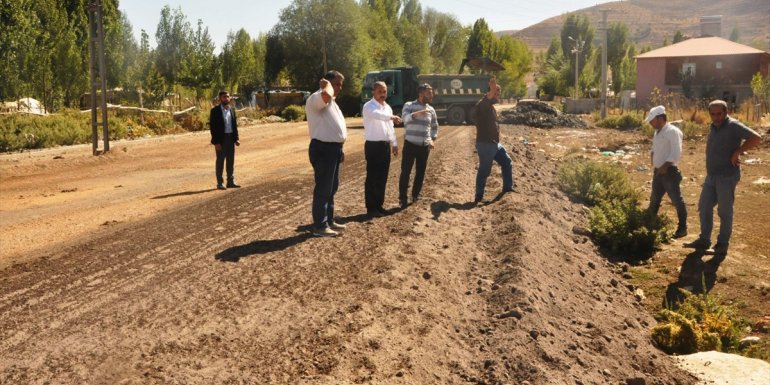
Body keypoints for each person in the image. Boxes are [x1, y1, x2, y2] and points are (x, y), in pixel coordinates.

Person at [684, 99, 761, 255]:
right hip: (712, 175)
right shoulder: (713, 126)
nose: (716, 117)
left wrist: (738, 152)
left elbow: (756, 137)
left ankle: (722, 245)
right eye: (713, 114)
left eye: (719, 114)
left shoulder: (733, 125)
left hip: (727, 176)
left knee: (725, 211)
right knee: (704, 206)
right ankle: (704, 240)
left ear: (726, 112)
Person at [306, 70, 348, 237]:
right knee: (323, 188)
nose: (339, 88)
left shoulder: (333, 102)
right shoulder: (317, 97)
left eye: (340, 85)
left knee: (332, 188)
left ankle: (329, 220)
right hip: (323, 149)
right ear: (327, 82)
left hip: (333, 149)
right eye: (336, 84)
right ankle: (320, 226)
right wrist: (326, 87)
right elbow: (325, 97)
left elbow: (333, 127)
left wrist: (340, 148)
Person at [644, 105, 687, 238]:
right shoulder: (657, 131)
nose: (651, 123)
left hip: (669, 172)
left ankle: (682, 228)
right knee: (654, 199)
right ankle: (649, 225)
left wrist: (665, 165)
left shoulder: (672, 131)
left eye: (652, 121)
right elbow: (655, 147)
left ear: (660, 118)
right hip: (658, 172)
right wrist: (653, 157)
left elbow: (676, 151)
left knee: (676, 200)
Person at [362, 81, 401, 218]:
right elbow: (377, 115)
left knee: (382, 177)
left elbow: (390, 127)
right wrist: (391, 116)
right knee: (372, 177)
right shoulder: (369, 106)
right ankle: (371, 208)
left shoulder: (388, 107)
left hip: (384, 146)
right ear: (373, 92)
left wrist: (394, 143)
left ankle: (379, 205)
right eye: (380, 91)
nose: (382, 94)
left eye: (384, 91)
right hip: (373, 146)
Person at [473, 79, 513, 203]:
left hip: (495, 143)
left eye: (498, 94)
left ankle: (507, 188)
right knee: (484, 170)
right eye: (496, 93)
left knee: (507, 162)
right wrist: (492, 89)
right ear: (490, 93)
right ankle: (479, 196)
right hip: (485, 144)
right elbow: (488, 98)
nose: (498, 96)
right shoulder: (482, 104)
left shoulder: (491, 107)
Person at [399, 83, 438, 208]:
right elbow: (403, 118)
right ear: (421, 94)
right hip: (410, 144)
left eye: (431, 92)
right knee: (406, 172)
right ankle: (402, 198)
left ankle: (416, 194)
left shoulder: (431, 109)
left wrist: (432, 139)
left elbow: (434, 126)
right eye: (429, 93)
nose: (432, 95)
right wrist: (416, 114)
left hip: (424, 146)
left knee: (420, 172)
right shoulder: (409, 105)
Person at [209, 90, 240, 189]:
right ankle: (220, 183)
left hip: (231, 138)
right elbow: (213, 128)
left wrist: (236, 139)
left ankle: (230, 181)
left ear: (230, 98)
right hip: (221, 140)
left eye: (227, 97)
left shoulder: (232, 109)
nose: (226, 98)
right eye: (224, 97)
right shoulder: (215, 111)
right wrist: (216, 142)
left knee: (230, 161)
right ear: (220, 99)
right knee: (220, 161)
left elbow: (234, 125)